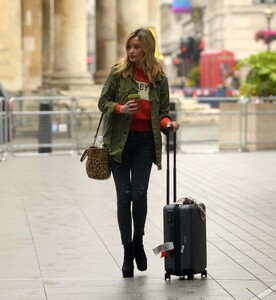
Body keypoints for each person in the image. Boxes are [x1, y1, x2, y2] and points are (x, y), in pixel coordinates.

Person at [98, 27, 179, 278]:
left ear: (147, 48)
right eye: (129, 47)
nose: (132, 51)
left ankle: (139, 241)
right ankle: (127, 252)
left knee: (139, 194)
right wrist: (121, 108)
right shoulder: (118, 72)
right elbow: (103, 102)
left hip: (145, 142)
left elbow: (163, 112)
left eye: (137, 47)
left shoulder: (159, 78)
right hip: (119, 143)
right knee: (124, 196)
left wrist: (168, 124)